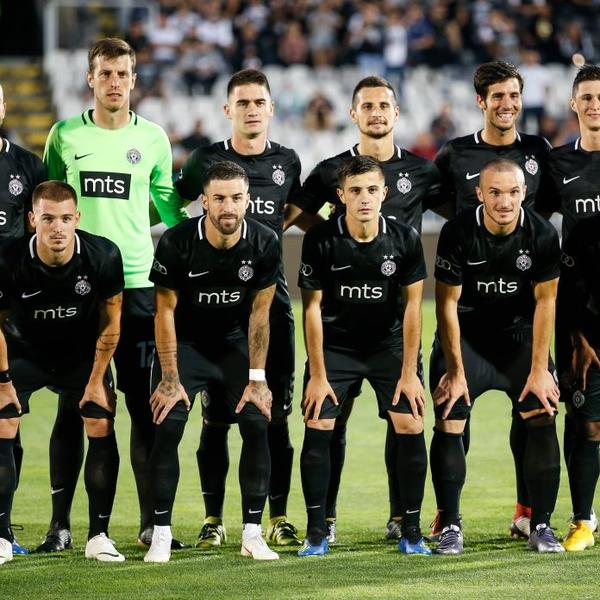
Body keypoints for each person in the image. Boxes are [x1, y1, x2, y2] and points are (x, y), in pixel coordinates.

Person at [42, 37, 188, 552]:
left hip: (140, 287)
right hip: (79, 291)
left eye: (123, 73)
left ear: (134, 79)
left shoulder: (153, 138)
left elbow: (168, 208)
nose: (114, 82)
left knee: (145, 408)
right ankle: (60, 525)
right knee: (74, 404)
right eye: (105, 73)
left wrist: (190, 259)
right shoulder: (64, 135)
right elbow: (53, 203)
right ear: (90, 78)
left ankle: (151, 523)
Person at [286, 75, 441, 543]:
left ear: (396, 113)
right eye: (367, 106)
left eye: (383, 106)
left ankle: (401, 517)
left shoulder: (421, 171)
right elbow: (293, 213)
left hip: (393, 322)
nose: (376, 113)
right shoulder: (331, 170)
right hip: (340, 322)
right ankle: (325, 520)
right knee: (331, 421)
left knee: (403, 419)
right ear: (354, 114)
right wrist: (339, 239)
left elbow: (460, 213)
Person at [176, 69, 311, 547]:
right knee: (215, 420)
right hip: (215, 312)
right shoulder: (204, 160)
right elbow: (172, 202)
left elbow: (296, 210)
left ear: (271, 108)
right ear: (227, 110)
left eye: (259, 102)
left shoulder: (287, 161)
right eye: (243, 102)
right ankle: (213, 519)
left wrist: (270, 235)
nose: (251, 110)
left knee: (274, 415)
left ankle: (278, 516)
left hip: (272, 306)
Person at [433, 60, 552, 539]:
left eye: (513, 95)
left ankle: (530, 514)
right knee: (452, 411)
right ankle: (447, 517)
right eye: (497, 95)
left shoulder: (539, 151)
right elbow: (433, 200)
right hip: (469, 307)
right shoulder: (455, 153)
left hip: (520, 311)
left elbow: (548, 207)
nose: (507, 104)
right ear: (481, 101)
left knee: (534, 413)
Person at [143, 161, 280, 563]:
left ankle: (252, 533)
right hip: (186, 345)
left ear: (247, 200)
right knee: (167, 425)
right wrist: (170, 376)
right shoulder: (177, 241)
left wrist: (258, 379)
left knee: (257, 421)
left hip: (234, 345)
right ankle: (162, 534)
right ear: (203, 201)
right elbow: (164, 312)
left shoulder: (265, 241)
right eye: (219, 198)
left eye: (236, 198)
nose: (228, 207)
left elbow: (260, 315)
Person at [297, 155, 429, 557]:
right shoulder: (320, 239)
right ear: (341, 196)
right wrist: (317, 375)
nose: (364, 198)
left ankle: (411, 531)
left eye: (372, 190)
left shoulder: (405, 238)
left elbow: (413, 308)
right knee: (319, 420)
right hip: (337, 347)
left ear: (385, 193)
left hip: (388, 346)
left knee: (410, 422)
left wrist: (409, 372)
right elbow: (311, 309)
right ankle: (316, 532)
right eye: (355, 191)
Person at [0, 180, 124, 565]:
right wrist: (3, 382)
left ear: (77, 219)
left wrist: (97, 379)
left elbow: (112, 319)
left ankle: (98, 536)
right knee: (2, 420)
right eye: (48, 219)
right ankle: (1, 537)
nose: (58, 228)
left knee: (100, 420)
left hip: (80, 353)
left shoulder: (103, 254)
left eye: (66, 219)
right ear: (32, 219)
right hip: (24, 351)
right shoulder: (8, 258)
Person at [534, 64, 600, 546]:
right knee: (585, 420)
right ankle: (583, 520)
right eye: (588, 97)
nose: (596, 105)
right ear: (574, 104)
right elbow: (537, 233)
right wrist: (572, 328)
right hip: (582, 315)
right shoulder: (557, 165)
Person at [0, 81, 46, 555]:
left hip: (11, 315)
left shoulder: (28, 167)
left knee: (8, 420)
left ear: (3, 107)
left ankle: (4, 529)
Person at [559, 214, 600, 551]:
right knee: (587, 427)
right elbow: (567, 294)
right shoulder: (585, 233)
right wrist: (578, 343)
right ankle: (583, 521)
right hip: (590, 341)